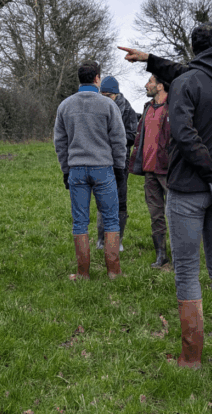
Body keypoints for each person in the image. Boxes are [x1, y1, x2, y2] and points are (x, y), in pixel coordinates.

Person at [129, 22, 212, 368]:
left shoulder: (187, 82)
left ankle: (191, 357)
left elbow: (183, 133)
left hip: (191, 185)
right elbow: (188, 74)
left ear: (194, 48)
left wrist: (210, 172)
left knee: (187, 269)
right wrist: (150, 59)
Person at [54, 60, 127, 280]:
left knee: (80, 221)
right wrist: (119, 168)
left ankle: (82, 273)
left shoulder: (65, 106)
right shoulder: (108, 105)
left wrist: (66, 170)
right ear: (97, 78)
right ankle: (114, 272)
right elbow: (119, 140)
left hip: (76, 169)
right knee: (111, 219)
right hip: (103, 168)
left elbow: (60, 142)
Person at [129, 74, 172, 268]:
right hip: (149, 169)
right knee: (155, 214)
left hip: (168, 170)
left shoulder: (173, 107)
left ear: (161, 86)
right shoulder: (147, 108)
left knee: (175, 214)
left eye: (150, 82)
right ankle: (161, 256)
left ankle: (181, 257)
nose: (146, 85)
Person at [96, 76, 139, 252]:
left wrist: (114, 138)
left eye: (108, 95)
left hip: (121, 160)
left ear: (116, 94)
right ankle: (100, 239)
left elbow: (132, 135)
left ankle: (118, 240)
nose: (105, 98)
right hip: (101, 159)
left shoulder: (127, 110)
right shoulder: (98, 105)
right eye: (103, 95)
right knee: (102, 199)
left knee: (120, 200)